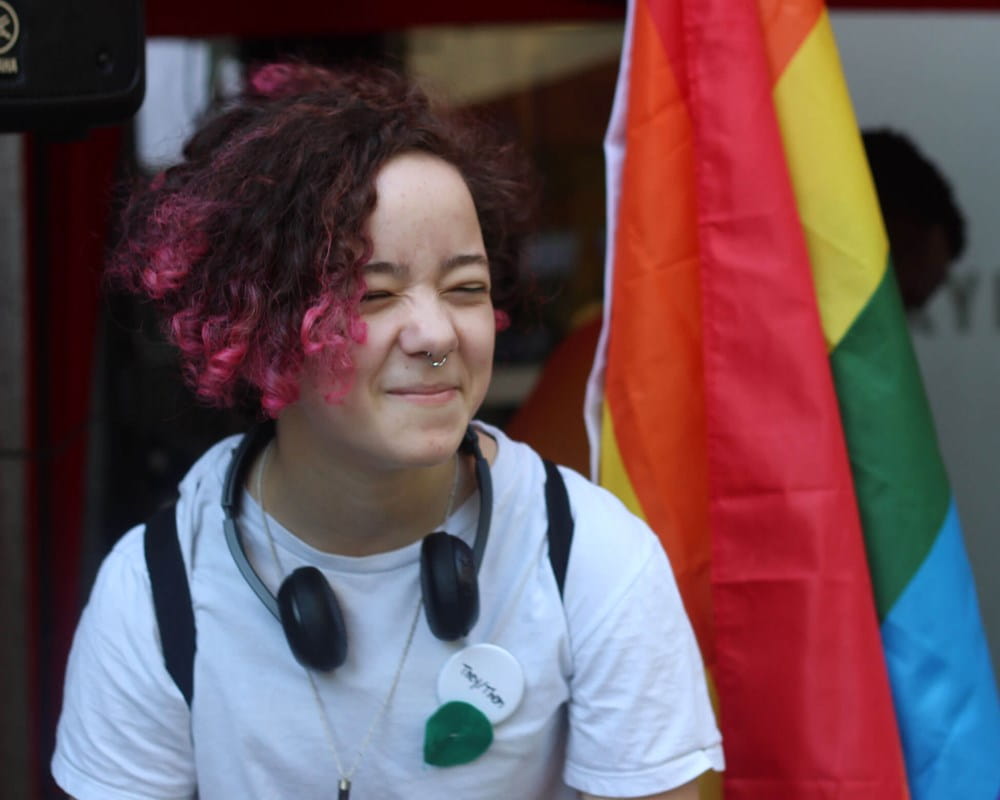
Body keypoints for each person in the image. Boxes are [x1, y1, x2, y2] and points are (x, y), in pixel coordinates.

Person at [51, 62, 723, 800]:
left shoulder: (590, 557)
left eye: (466, 289)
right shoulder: (154, 591)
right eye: (374, 294)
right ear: (257, 326)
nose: (436, 333)